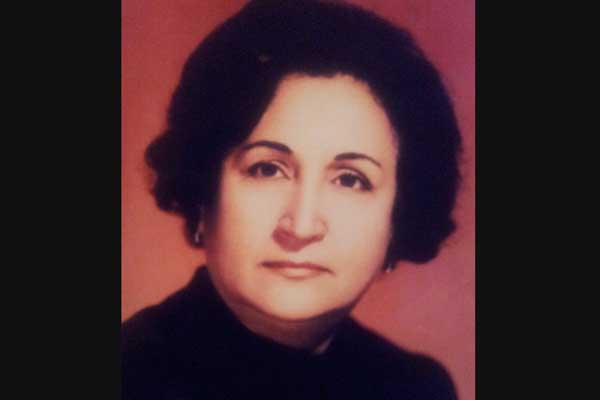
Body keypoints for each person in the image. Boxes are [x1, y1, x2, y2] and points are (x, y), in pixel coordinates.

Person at [122, 0, 462, 399]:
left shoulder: (416, 389)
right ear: (202, 194)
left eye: (350, 180)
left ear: (399, 219)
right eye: (267, 169)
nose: (301, 226)